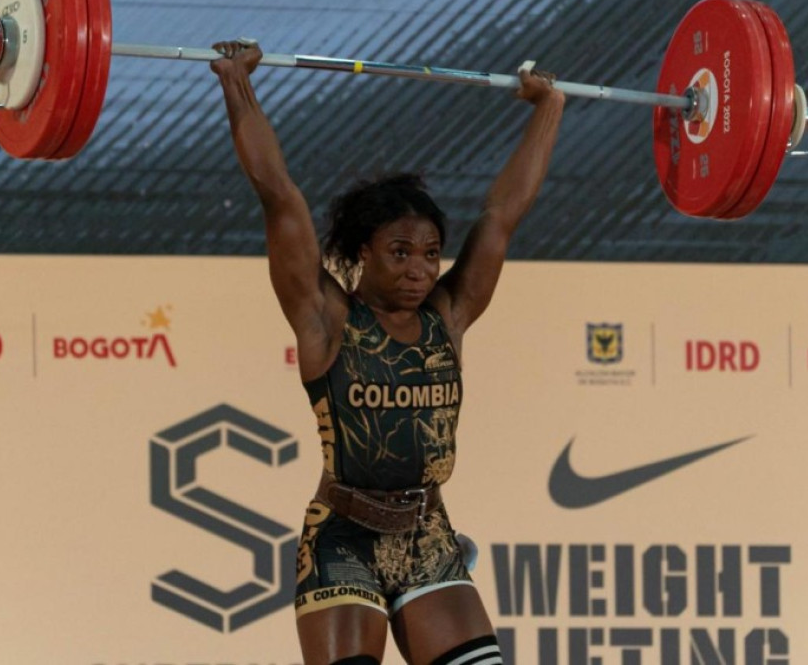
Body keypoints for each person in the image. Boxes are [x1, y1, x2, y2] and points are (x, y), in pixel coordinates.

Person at [211, 38, 564, 665]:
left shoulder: (448, 318)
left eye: (430, 253)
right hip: (344, 537)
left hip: (428, 534)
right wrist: (237, 82)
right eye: (400, 251)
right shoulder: (327, 319)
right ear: (362, 254)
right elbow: (279, 195)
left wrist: (549, 107)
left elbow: (503, 212)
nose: (420, 269)